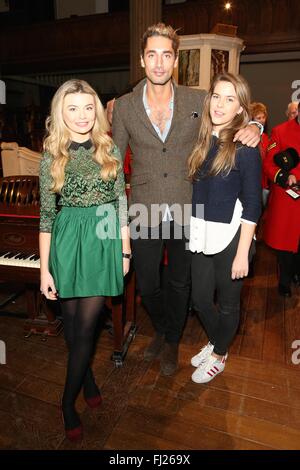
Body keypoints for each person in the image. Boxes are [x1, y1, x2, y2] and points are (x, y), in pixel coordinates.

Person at [112, 23, 261, 377]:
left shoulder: (198, 100)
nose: (159, 63)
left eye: (167, 55)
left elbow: (233, 109)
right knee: (147, 282)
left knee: (180, 282)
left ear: (175, 60)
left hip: (187, 208)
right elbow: (115, 168)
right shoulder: (124, 107)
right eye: (152, 55)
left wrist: (256, 125)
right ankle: (163, 327)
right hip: (144, 209)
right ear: (142, 60)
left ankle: (173, 339)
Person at [39, 79, 130, 441]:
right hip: (66, 241)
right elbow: (47, 215)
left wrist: (125, 249)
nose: (81, 116)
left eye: (88, 107)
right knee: (75, 327)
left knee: (87, 327)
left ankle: (66, 402)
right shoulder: (52, 156)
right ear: (61, 112)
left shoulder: (108, 148)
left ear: (97, 110)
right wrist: (45, 269)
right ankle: (87, 380)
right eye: (72, 108)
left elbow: (121, 204)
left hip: (102, 239)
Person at [188, 73, 261, 383]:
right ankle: (219, 340)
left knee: (228, 303)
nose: (220, 104)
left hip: (233, 239)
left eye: (230, 99)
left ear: (240, 109)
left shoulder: (245, 148)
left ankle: (219, 353)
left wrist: (243, 253)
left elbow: (254, 204)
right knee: (201, 299)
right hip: (201, 231)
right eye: (216, 96)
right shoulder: (202, 139)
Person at [263, 101, 300, 297]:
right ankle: (284, 281)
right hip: (288, 199)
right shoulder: (280, 131)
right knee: (286, 245)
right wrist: (285, 177)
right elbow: (269, 165)